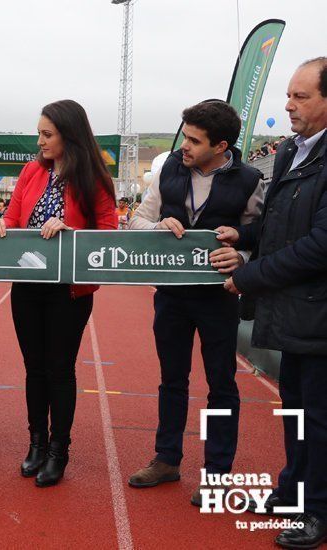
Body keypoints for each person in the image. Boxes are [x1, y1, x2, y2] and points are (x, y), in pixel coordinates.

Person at [125, 100, 263, 505]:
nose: (183, 145)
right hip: (171, 296)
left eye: (193, 140)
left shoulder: (251, 179)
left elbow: (260, 236)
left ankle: (217, 474)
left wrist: (241, 256)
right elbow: (136, 219)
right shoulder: (169, 168)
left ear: (221, 145)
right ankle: (166, 459)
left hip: (219, 298)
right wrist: (157, 226)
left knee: (221, 385)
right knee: (172, 380)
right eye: (184, 135)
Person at [223, 57, 327, 549]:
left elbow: (321, 244)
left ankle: (318, 511)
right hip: (294, 312)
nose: (288, 105)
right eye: (288, 94)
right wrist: (241, 235)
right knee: (297, 412)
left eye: (301, 97)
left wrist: (250, 276)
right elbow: (278, 225)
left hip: (319, 313)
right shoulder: (290, 151)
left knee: (321, 419)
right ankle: (293, 491)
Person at [0, 99, 117, 487]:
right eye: (39, 133)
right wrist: (1, 225)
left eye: (47, 134)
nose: (39, 141)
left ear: (69, 135)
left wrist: (71, 232)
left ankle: (60, 449)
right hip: (27, 285)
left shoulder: (93, 178)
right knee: (34, 368)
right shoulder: (32, 170)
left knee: (60, 369)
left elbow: (109, 233)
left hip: (69, 292)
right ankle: (37, 442)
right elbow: (13, 215)